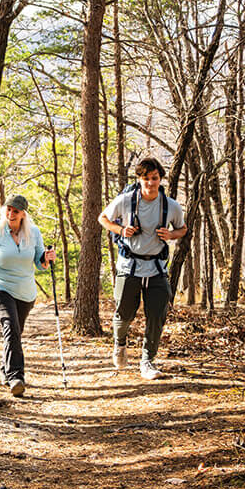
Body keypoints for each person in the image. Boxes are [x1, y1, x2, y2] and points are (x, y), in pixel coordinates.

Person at [98, 156, 187, 380]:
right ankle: (119, 344)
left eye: (154, 178)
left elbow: (182, 229)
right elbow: (103, 218)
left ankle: (147, 361)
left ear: (160, 179)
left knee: (157, 315)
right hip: (129, 266)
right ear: (139, 179)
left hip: (156, 268)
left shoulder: (171, 205)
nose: (150, 183)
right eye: (146, 178)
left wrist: (171, 235)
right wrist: (121, 230)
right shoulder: (126, 201)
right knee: (124, 313)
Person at [0, 194, 56, 396]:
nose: (10, 214)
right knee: (10, 327)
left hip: (25, 292)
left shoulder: (34, 232)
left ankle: (5, 367)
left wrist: (47, 258)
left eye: (15, 211)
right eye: (8, 209)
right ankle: (16, 377)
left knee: (14, 333)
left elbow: (40, 264)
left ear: (23, 214)